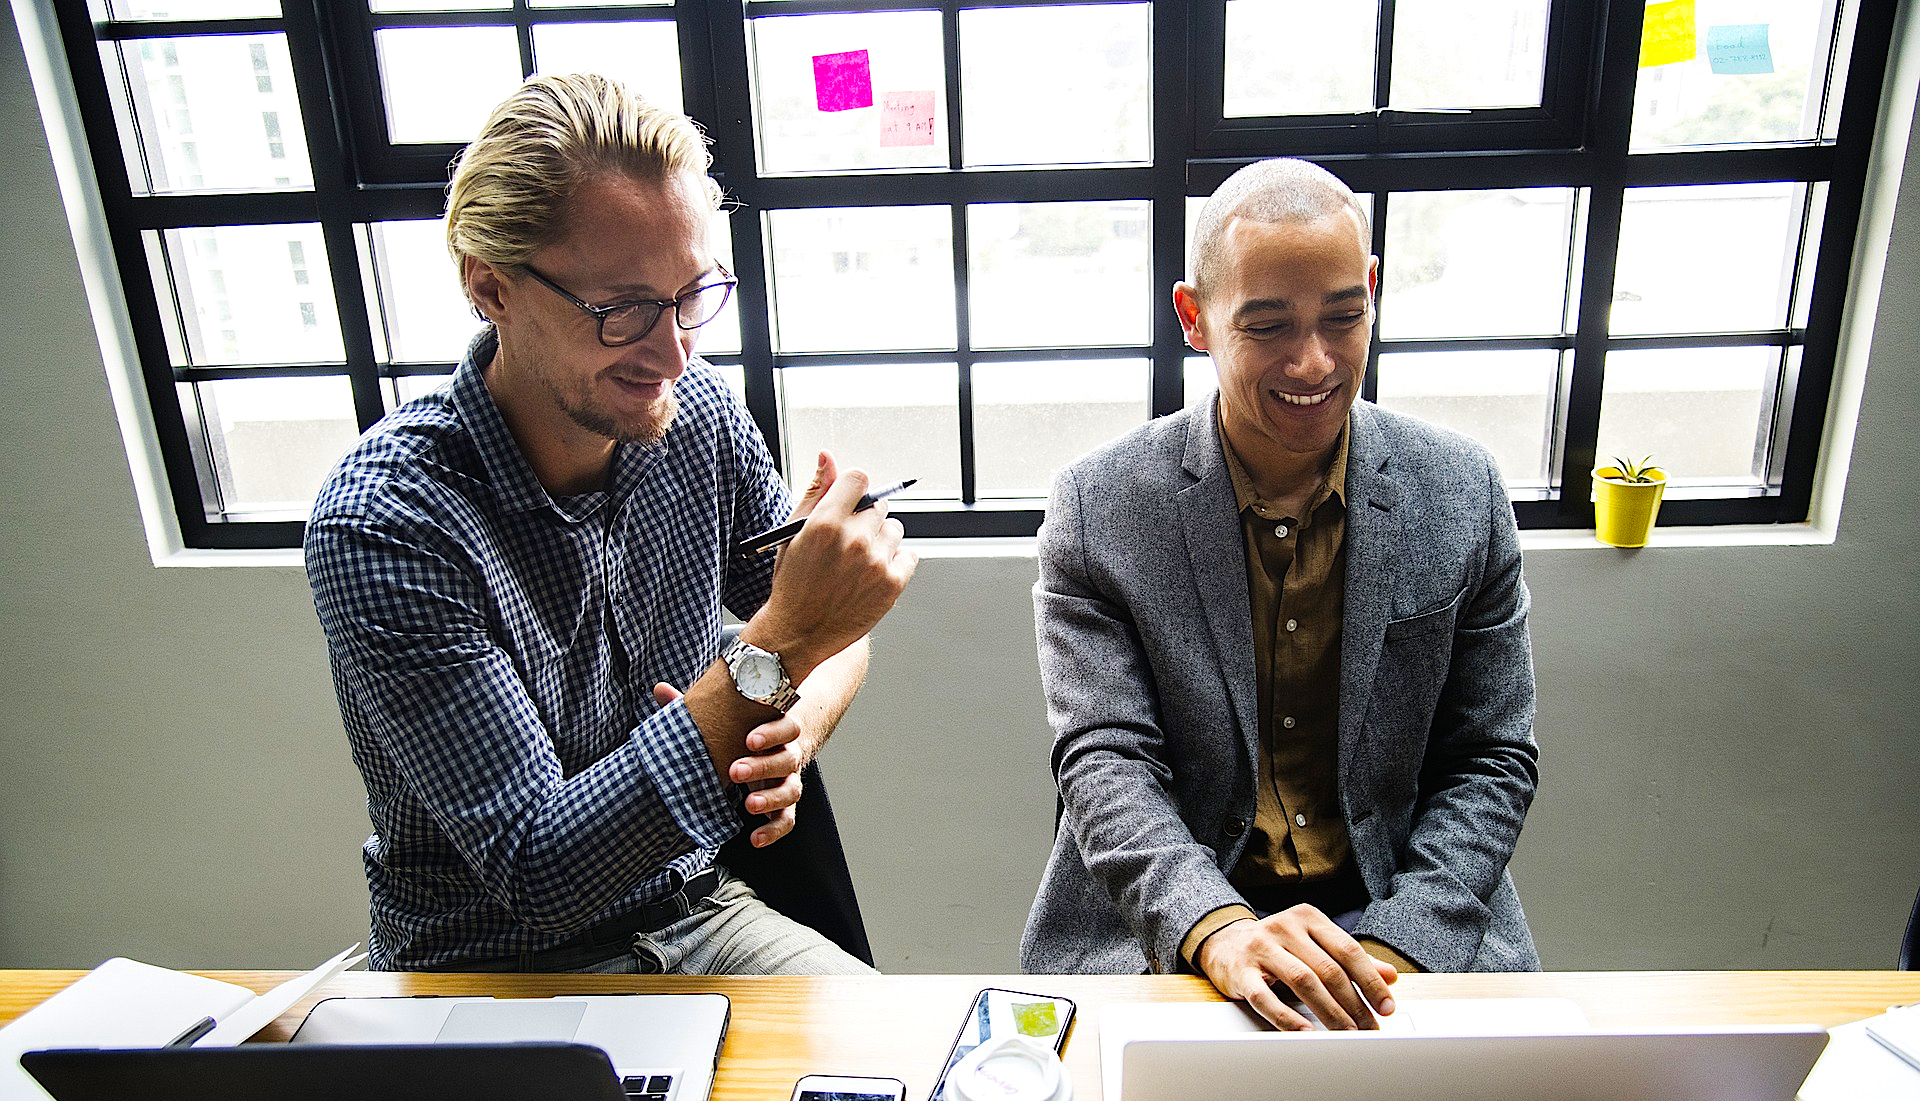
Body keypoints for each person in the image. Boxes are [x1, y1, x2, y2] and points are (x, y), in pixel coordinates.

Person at [304, 73, 916, 973]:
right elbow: (541, 873)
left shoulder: (694, 411)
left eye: (692, 295)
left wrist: (794, 726)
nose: (671, 351)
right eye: (621, 309)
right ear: (492, 288)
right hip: (487, 965)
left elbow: (821, 634)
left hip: (697, 909)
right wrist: (778, 651)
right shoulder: (388, 524)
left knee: (896, 1070)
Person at [1020, 158, 1540, 1030]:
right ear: (1195, 318)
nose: (1315, 361)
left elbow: (1491, 757)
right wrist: (1217, 927)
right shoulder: (1097, 508)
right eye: (1268, 327)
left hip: (1404, 920)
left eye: (1344, 316)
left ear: (1373, 290)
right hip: (1181, 928)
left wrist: (1385, 955)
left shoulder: (1464, 489)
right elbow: (1104, 761)